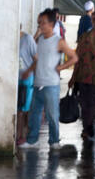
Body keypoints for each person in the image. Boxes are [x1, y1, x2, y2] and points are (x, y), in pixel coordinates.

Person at [26, 9, 77, 150]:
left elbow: (74, 57)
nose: (40, 26)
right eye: (39, 23)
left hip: (51, 85)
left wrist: (62, 67)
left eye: (43, 23)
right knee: (34, 114)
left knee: (52, 115)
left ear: (52, 24)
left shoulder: (58, 41)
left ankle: (54, 141)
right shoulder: (40, 39)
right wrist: (29, 71)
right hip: (38, 83)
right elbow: (36, 53)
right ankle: (32, 140)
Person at [71, 9, 95, 142]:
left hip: (82, 75)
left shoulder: (84, 37)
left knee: (84, 103)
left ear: (92, 21)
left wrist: (73, 77)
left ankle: (85, 128)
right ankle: (88, 126)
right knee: (93, 104)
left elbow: (76, 58)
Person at [17, 26, 38, 146]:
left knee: (23, 109)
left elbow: (37, 59)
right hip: (15, 78)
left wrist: (29, 71)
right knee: (19, 109)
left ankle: (22, 135)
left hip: (26, 79)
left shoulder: (28, 39)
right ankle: (20, 135)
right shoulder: (8, 39)